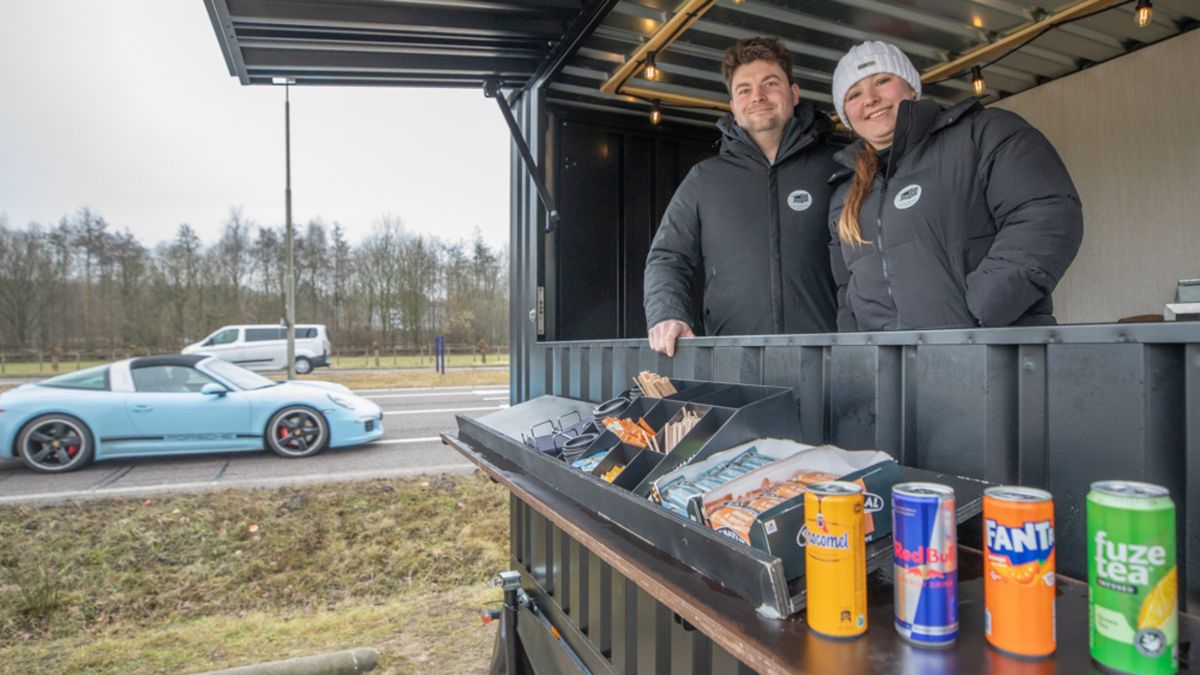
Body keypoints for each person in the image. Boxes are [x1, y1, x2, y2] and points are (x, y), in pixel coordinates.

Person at [827, 41, 1083, 332]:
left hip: (988, 353)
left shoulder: (984, 134)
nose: (870, 99)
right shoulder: (844, 194)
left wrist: (978, 313)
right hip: (890, 367)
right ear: (847, 116)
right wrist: (855, 342)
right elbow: (847, 287)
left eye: (882, 81)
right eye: (854, 94)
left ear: (912, 88)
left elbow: (1047, 214)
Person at [644, 37, 839, 357]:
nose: (758, 97)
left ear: (793, 93)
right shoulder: (705, 179)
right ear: (733, 107)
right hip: (735, 362)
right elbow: (668, 257)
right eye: (744, 90)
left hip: (831, 360)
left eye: (770, 83)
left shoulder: (838, 166)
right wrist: (668, 313)